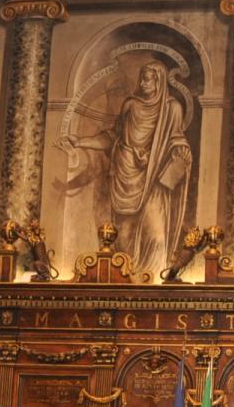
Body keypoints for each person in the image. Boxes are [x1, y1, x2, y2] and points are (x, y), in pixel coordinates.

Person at [66, 60, 192, 276]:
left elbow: (177, 142)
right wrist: (80, 141)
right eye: (141, 78)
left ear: (160, 81)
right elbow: (114, 137)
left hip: (154, 181)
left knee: (156, 236)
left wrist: (179, 157)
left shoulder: (172, 109)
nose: (142, 83)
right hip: (124, 180)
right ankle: (126, 281)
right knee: (123, 240)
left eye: (148, 79)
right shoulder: (130, 106)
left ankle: (154, 286)